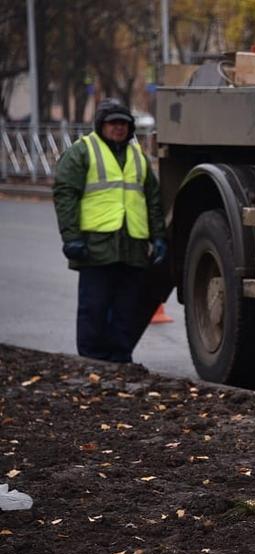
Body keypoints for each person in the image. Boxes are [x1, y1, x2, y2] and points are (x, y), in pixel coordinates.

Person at [52, 98, 166, 364]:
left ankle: (120, 359)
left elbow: (152, 200)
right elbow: (65, 195)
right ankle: (92, 360)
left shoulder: (138, 158)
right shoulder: (83, 151)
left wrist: (158, 237)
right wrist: (71, 237)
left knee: (127, 309)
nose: (119, 128)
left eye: (124, 124)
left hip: (132, 247)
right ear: (101, 125)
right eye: (113, 123)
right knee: (95, 308)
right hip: (96, 247)